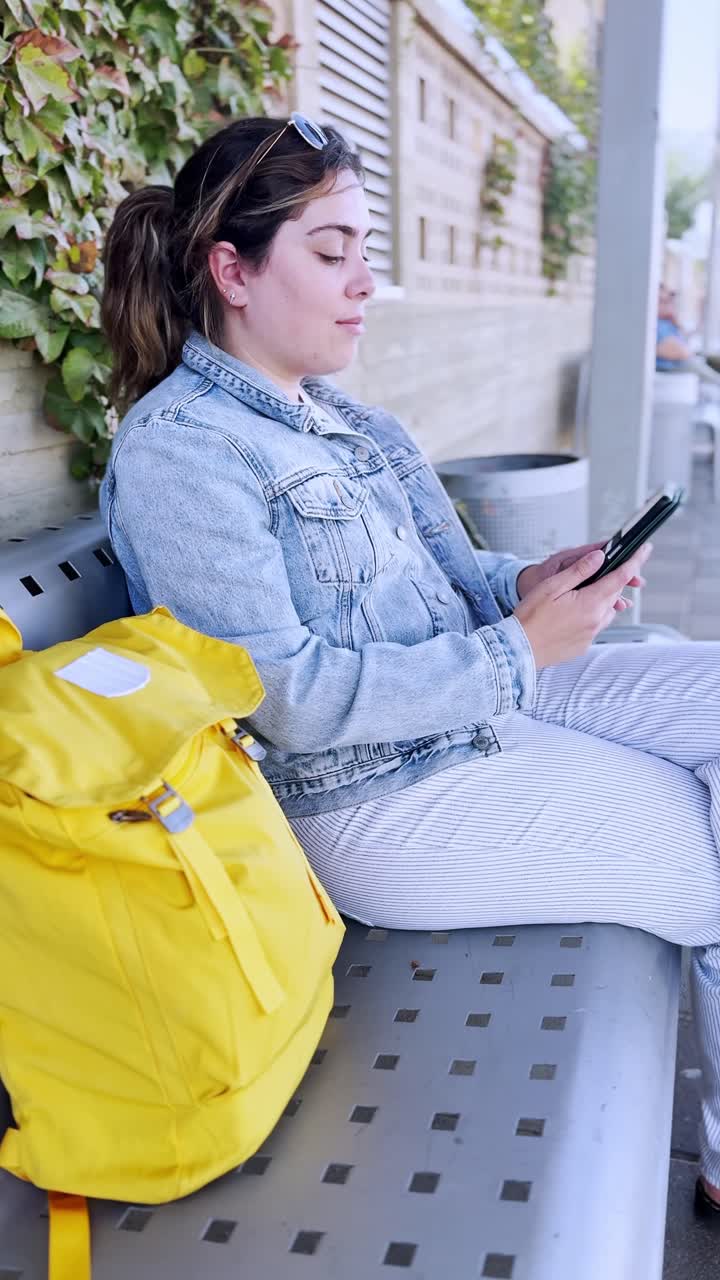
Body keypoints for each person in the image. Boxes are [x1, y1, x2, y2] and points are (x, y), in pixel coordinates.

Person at [100, 114, 720, 1220]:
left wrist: (531, 580)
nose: (363, 283)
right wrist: (517, 649)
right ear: (232, 272)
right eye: (330, 252)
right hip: (378, 796)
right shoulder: (181, 452)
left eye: (366, 252)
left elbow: (450, 575)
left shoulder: (346, 420)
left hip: (478, 702)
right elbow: (283, 699)